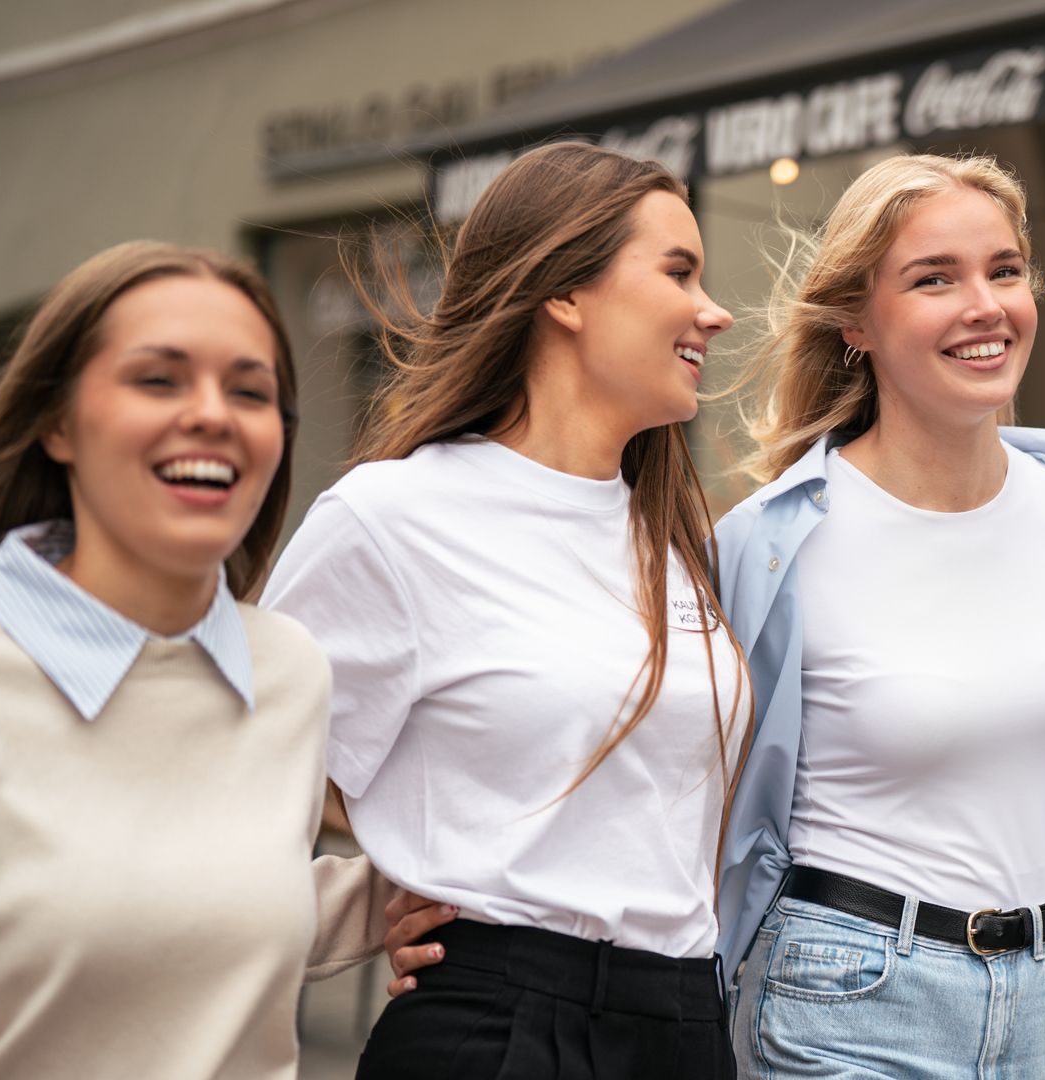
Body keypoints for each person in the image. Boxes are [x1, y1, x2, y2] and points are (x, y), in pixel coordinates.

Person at [262, 143, 747, 1079]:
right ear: (564, 292)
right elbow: (233, 792)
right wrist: (364, 907)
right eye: (678, 272)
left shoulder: (669, 539)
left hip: (686, 1023)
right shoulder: (393, 517)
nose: (713, 311)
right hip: (500, 1030)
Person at [711, 153, 1045, 1078]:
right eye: (935, 279)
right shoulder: (772, 541)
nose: (986, 306)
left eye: (1005, 271)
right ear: (856, 322)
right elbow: (684, 789)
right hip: (843, 997)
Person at [0, 241, 330, 1079]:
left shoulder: (289, 671)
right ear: (56, 423)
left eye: (249, 391)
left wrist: (408, 902)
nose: (212, 414)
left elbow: (190, 900)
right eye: (158, 379)